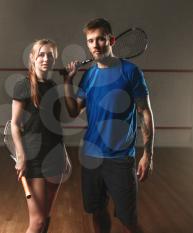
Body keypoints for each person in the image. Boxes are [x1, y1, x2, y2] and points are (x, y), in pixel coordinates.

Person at [62, 18, 154, 233]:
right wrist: (68, 82)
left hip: (120, 159)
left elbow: (145, 113)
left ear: (111, 40)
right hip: (91, 157)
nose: (95, 45)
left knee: (129, 221)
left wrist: (148, 154)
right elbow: (74, 111)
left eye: (100, 39)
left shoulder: (131, 72)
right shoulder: (89, 76)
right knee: (97, 211)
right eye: (90, 41)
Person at [11, 39, 66, 233]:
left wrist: (65, 154)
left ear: (54, 59)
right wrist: (21, 156)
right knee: (37, 222)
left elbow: (55, 126)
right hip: (34, 158)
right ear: (32, 58)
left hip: (55, 156)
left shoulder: (53, 86)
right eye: (41, 54)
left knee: (46, 217)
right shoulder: (23, 86)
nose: (45, 58)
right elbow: (15, 126)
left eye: (50, 55)